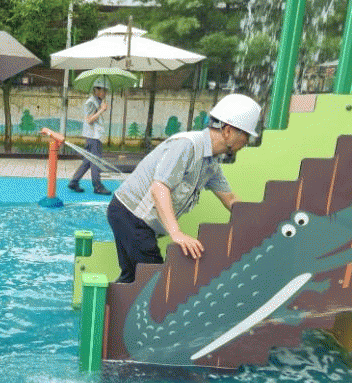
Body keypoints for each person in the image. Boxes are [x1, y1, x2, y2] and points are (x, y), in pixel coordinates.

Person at [107, 93, 261, 283]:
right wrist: (176, 233)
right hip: (130, 215)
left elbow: (230, 199)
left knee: (134, 280)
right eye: (246, 135)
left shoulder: (210, 164)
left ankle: (104, 301)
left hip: (136, 220)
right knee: (154, 282)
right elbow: (159, 188)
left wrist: (258, 222)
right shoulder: (187, 146)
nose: (246, 141)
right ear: (228, 131)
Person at [68, 77, 112, 195]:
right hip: (93, 137)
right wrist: (101, 110)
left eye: (106, 90)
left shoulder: (97, 101)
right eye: (103, 90)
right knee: (96, 161)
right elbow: (89, 120)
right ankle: (98, 186)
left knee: (88, 161)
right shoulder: (91, 102)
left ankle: (74, 181)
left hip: (93, 136)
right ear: (96, 90)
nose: (105, 93)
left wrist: (101, 107)